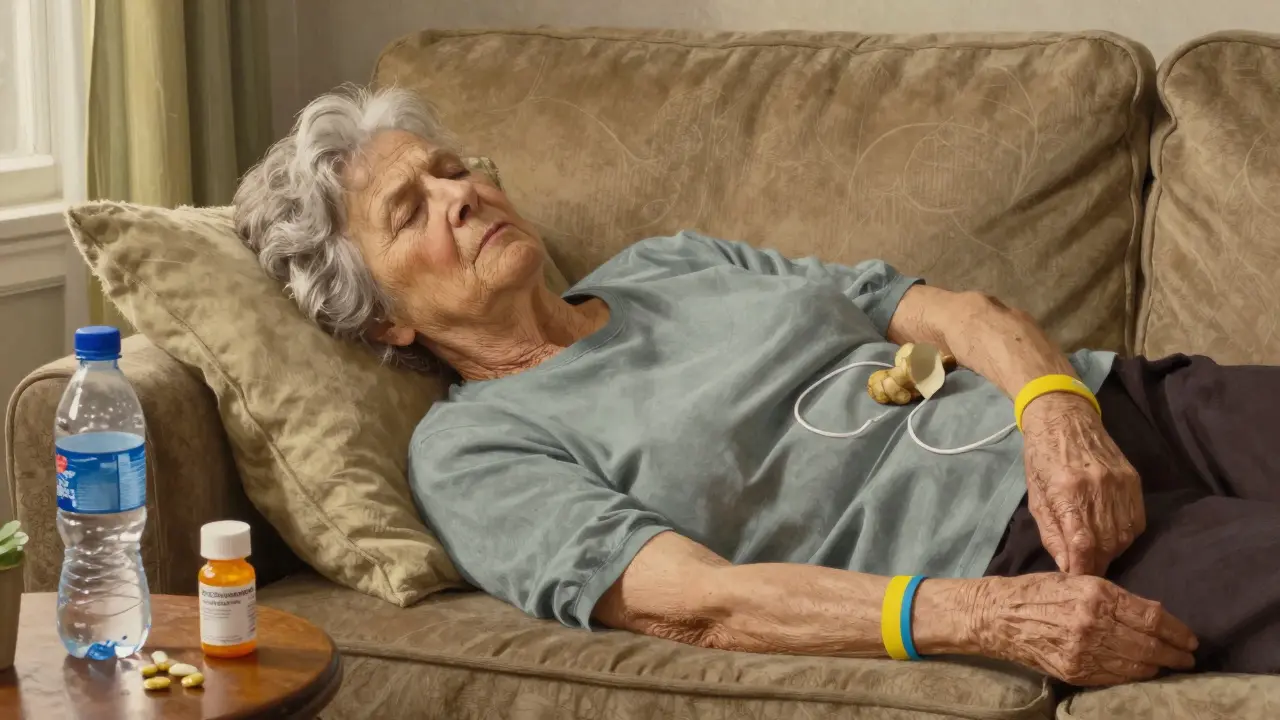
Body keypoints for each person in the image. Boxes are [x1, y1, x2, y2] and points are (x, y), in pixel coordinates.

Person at [234, 87, 1279, 687]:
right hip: (1012, 544)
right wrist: (994, 617)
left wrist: (1058, 412)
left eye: (454, 168)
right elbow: (698, 603)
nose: (459, 198)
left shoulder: (663, 264)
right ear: (384, 318)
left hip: (1114, 404)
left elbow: (949, 311)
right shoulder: (473, 451)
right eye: (410, 212)